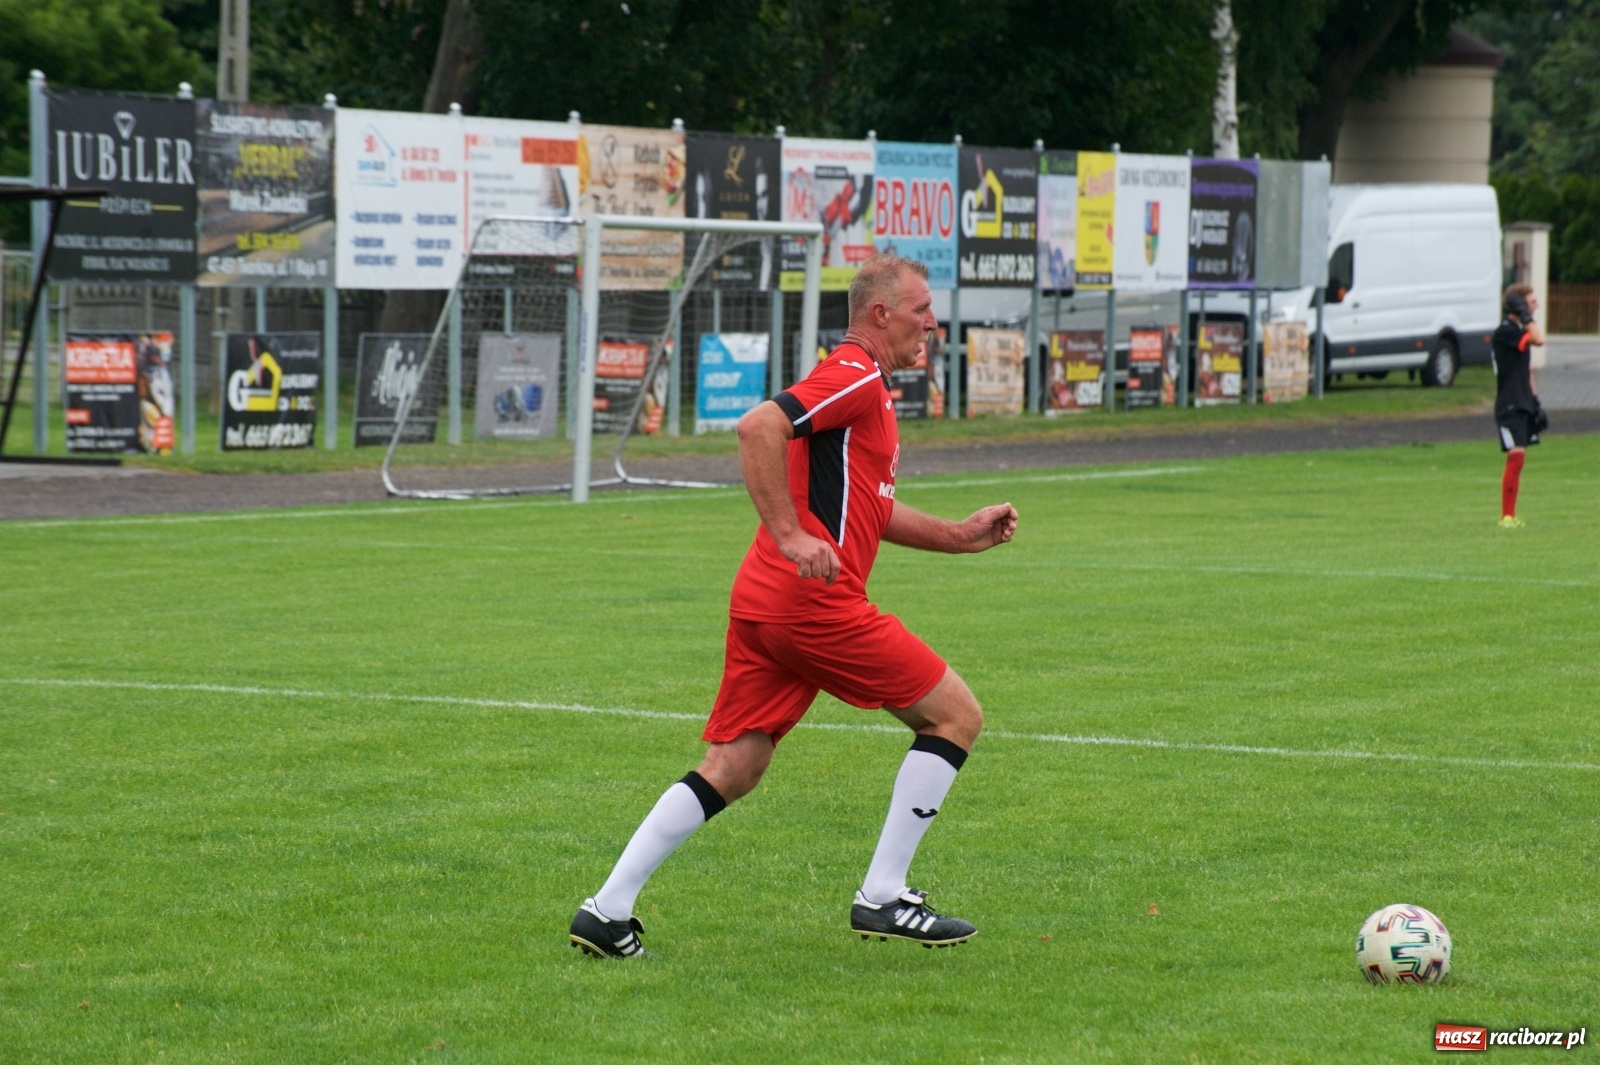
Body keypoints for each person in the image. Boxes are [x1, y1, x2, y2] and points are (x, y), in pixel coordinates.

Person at [569, 254, 1019, 958]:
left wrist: (961, 537)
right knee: (957, 714)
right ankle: (883, 895)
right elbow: (757, 428)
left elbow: (872, 509)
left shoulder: (870, 388)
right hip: (811, 604)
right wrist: (787, 533)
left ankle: (606, 909)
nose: (931, 322)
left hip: (765, 602)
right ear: (880, 315)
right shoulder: (855, 372)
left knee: (737, 762)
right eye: (921, 309)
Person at [1492, 283, 1546, 528]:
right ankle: (1507, 516)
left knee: (1520, 459)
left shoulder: (1517, 328)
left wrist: (1536, 402)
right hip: (1509, 404)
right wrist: (1526, 316)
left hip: (1523, 402)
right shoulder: (1505, 332)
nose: (1536, 306)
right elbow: (1538, 339)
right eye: (1531, 302)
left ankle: (1510, 515)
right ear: (1520, 306)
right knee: (1515, 458)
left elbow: (1527, 370)